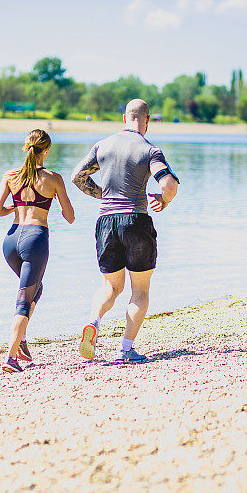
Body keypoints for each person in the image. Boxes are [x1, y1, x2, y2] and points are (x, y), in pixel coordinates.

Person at [71, 99, 179, 363]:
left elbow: (77, 177)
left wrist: (102, 195)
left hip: (106, 222)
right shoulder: (149, 150)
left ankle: (94, 322)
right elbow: (168, 184)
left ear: (124, 118)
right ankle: (127, 349)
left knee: (111, 285)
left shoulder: (102, 145)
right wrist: (164, 200)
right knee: (139, 289)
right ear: (147, 119)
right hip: (136, 221)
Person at [0, 129, 75, 372]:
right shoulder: (53, 178)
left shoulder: (10, 176)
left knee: (35, 289)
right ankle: (10, 357)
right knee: (24, 301)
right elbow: (70, 217)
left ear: (26, 147)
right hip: (35, 240)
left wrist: (17, 206)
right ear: (46, 150)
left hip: (11, 240)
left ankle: (21, 338)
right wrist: (53, 201)